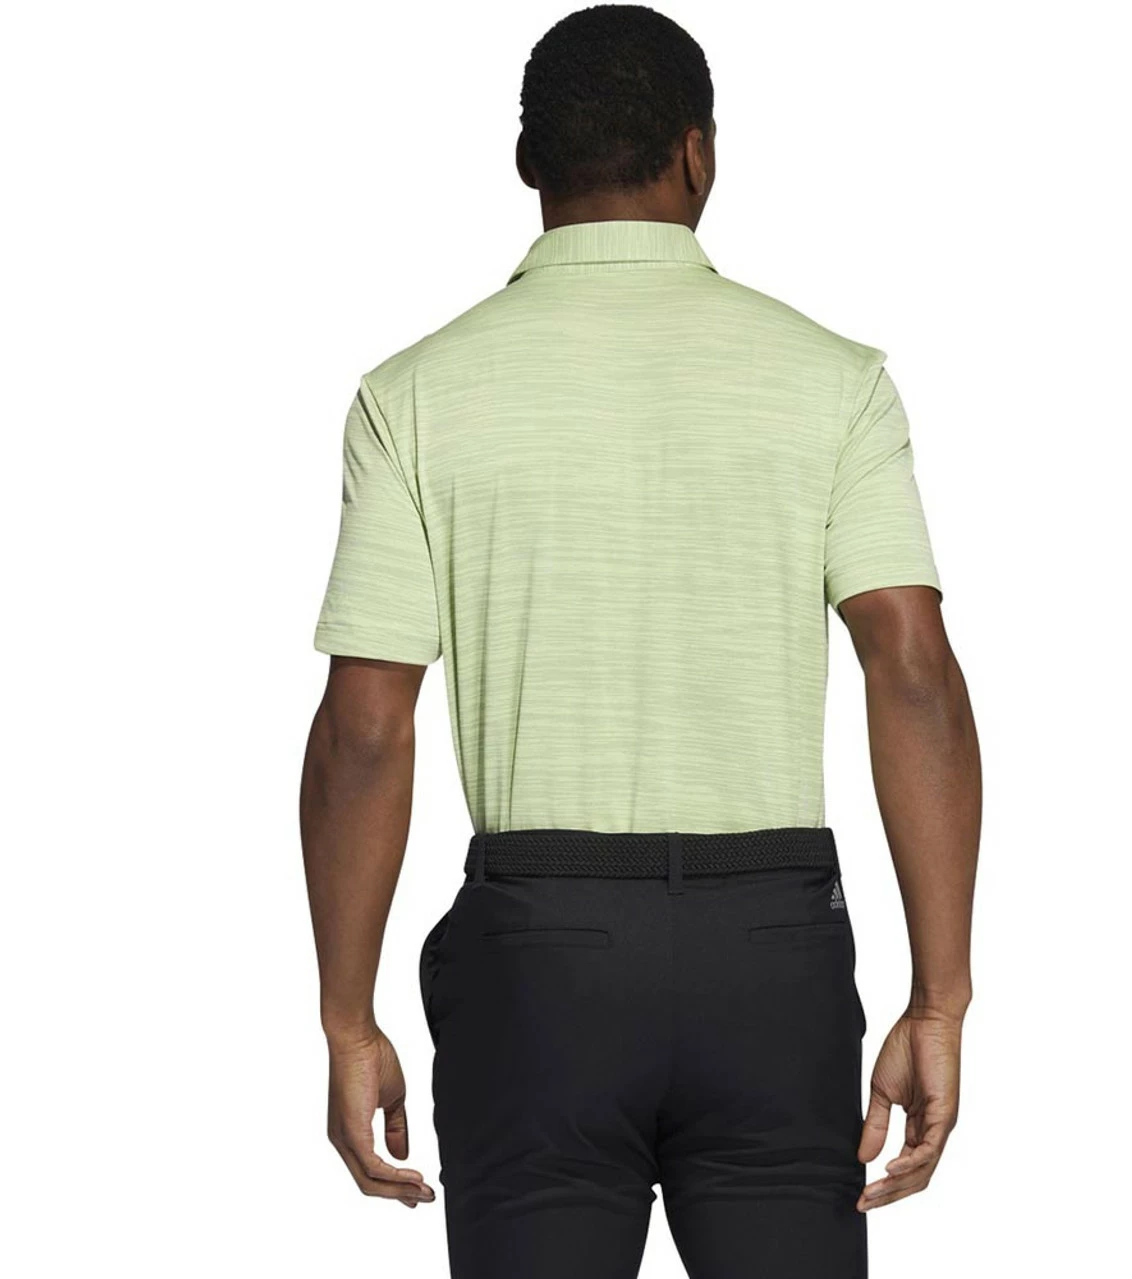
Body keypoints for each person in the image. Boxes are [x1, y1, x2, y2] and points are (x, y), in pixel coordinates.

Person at [299, 5, 981, 1276]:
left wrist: (348, 1015)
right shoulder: (832, 380)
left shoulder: (413, 394)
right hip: (771, 955)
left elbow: (366, 726)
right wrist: (937, 996)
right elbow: (911, 666)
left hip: (539, 959)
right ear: (696, 153)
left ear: (527, 165)